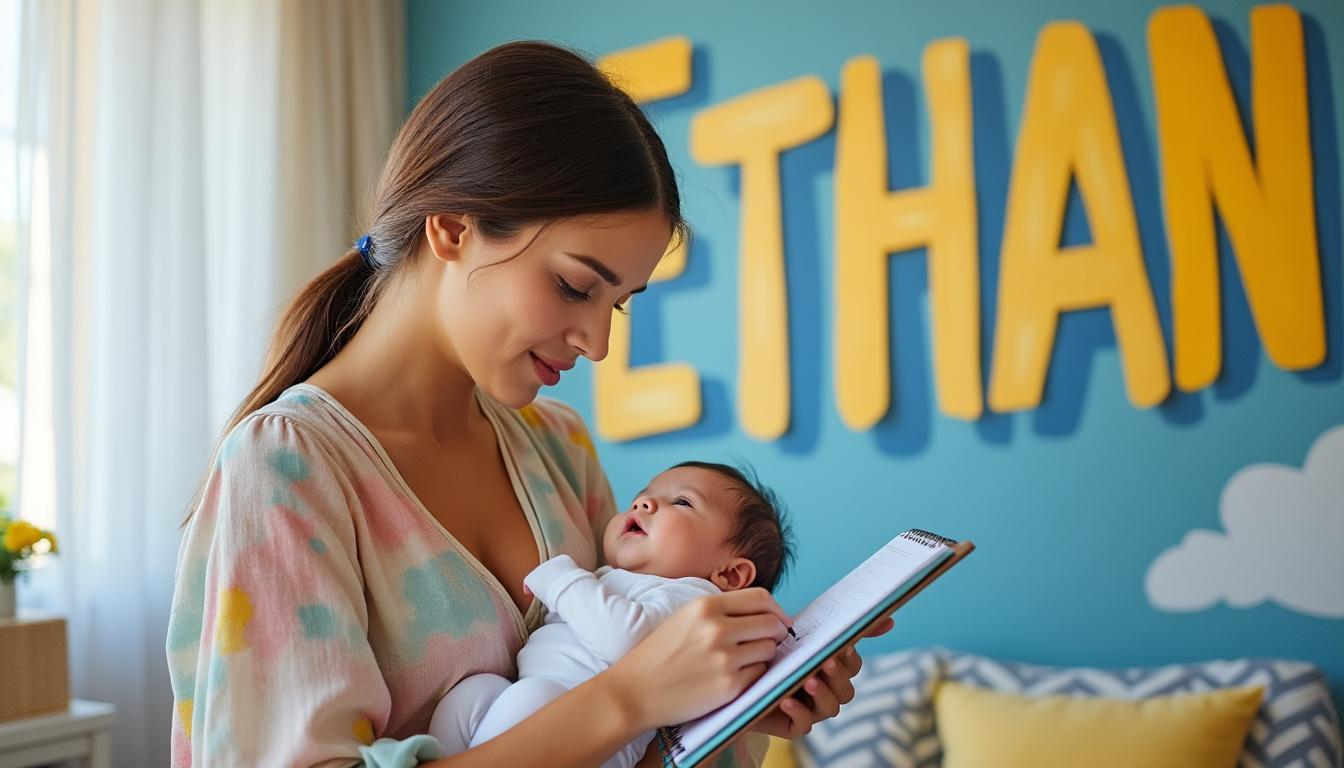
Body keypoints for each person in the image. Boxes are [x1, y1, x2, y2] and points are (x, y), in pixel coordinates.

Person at [165, 40, 892, 767]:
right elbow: (625, 697)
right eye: (576, 286)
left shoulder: (558, 448)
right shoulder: (286, 470)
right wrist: (629, 698)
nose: (598, 342)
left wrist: (736, 698)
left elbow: (639, 734)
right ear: (452, 226)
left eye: (620, 304)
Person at [429, 462, 794, 767]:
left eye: (682, 502)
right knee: (475, 693)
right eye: (643, 495)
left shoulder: (697, 602)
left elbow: (625, 639)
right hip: (539, 715)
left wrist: (562, 580)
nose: (644, 503)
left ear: (728, 575)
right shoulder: (621, 581)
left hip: (596, 745)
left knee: (532, 696)